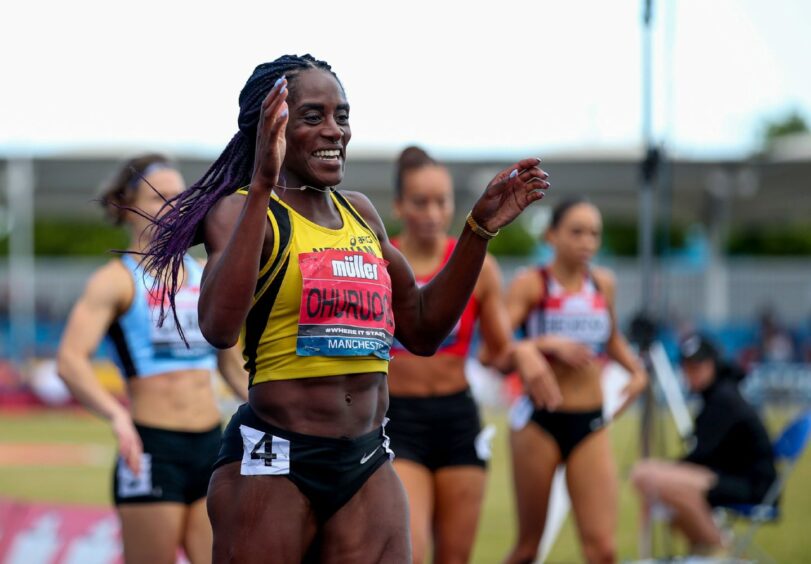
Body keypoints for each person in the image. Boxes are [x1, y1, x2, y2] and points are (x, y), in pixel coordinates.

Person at [139, 54, 550, 563]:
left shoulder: (360, 213)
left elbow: (421, 329)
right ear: (273, 127)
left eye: (343, 116)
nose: (335, 130)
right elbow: (219, 328)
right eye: (313, 116)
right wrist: (263, 185)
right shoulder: (242, 210)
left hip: (364, 459)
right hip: (277, 459)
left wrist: (477, 230)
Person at [56, 154, 249, 564]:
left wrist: (273, 413)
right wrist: (116, 416)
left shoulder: (204, 273)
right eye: (158, 196)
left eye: (180, 196)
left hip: (212, 447)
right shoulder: (116, 280)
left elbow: (231, 364)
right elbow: (71, 361)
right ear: (128, 205)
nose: (172, 206)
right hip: (150, 450)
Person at [386, 147, 560, 564]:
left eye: (441, 201)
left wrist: (525, 352)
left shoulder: (477, 264)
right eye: (419, 201)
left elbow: (495, 354)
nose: (432, 212)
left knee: (455, 557)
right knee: (408, 550)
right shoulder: (379, 261)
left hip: (457, 422)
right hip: (396, 421)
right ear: (398, 206)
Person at [503, 197, 648, 564]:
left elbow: (612, 339)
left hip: (590, 420)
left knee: (603, 549)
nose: (587, 242)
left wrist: (637, 372)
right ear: (552, 235)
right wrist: (543, 343)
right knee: (527, 549)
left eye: (594, 234)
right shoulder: (531, 284)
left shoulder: (603, 283)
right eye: (577, 232)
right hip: (539, 421)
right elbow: (497, 347)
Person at [631, 333, 777, 556]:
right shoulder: (718, 394)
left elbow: (701, 454)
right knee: (651, 477)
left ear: (714, 364)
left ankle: (719, 550)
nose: (692, 373)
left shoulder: (724, 398)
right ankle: (701, 551)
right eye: (688, 367)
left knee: (649, 477)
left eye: (699, 366)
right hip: (729, 476)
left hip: (751, 485)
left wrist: (666, 472)